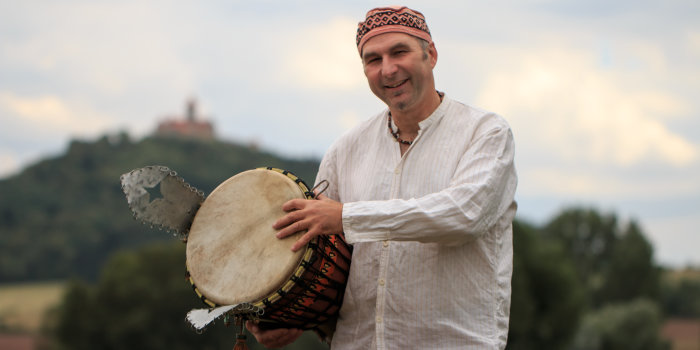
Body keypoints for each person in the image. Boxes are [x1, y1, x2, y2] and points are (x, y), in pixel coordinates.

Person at [247, 6, 517, 349]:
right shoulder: (345, 150)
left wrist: (346, 216)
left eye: (399, 52)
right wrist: (293, 316)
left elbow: (463, 215)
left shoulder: (486, 133)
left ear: (430, 54)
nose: (387, 69)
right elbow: (325, 262)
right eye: (372, 59)